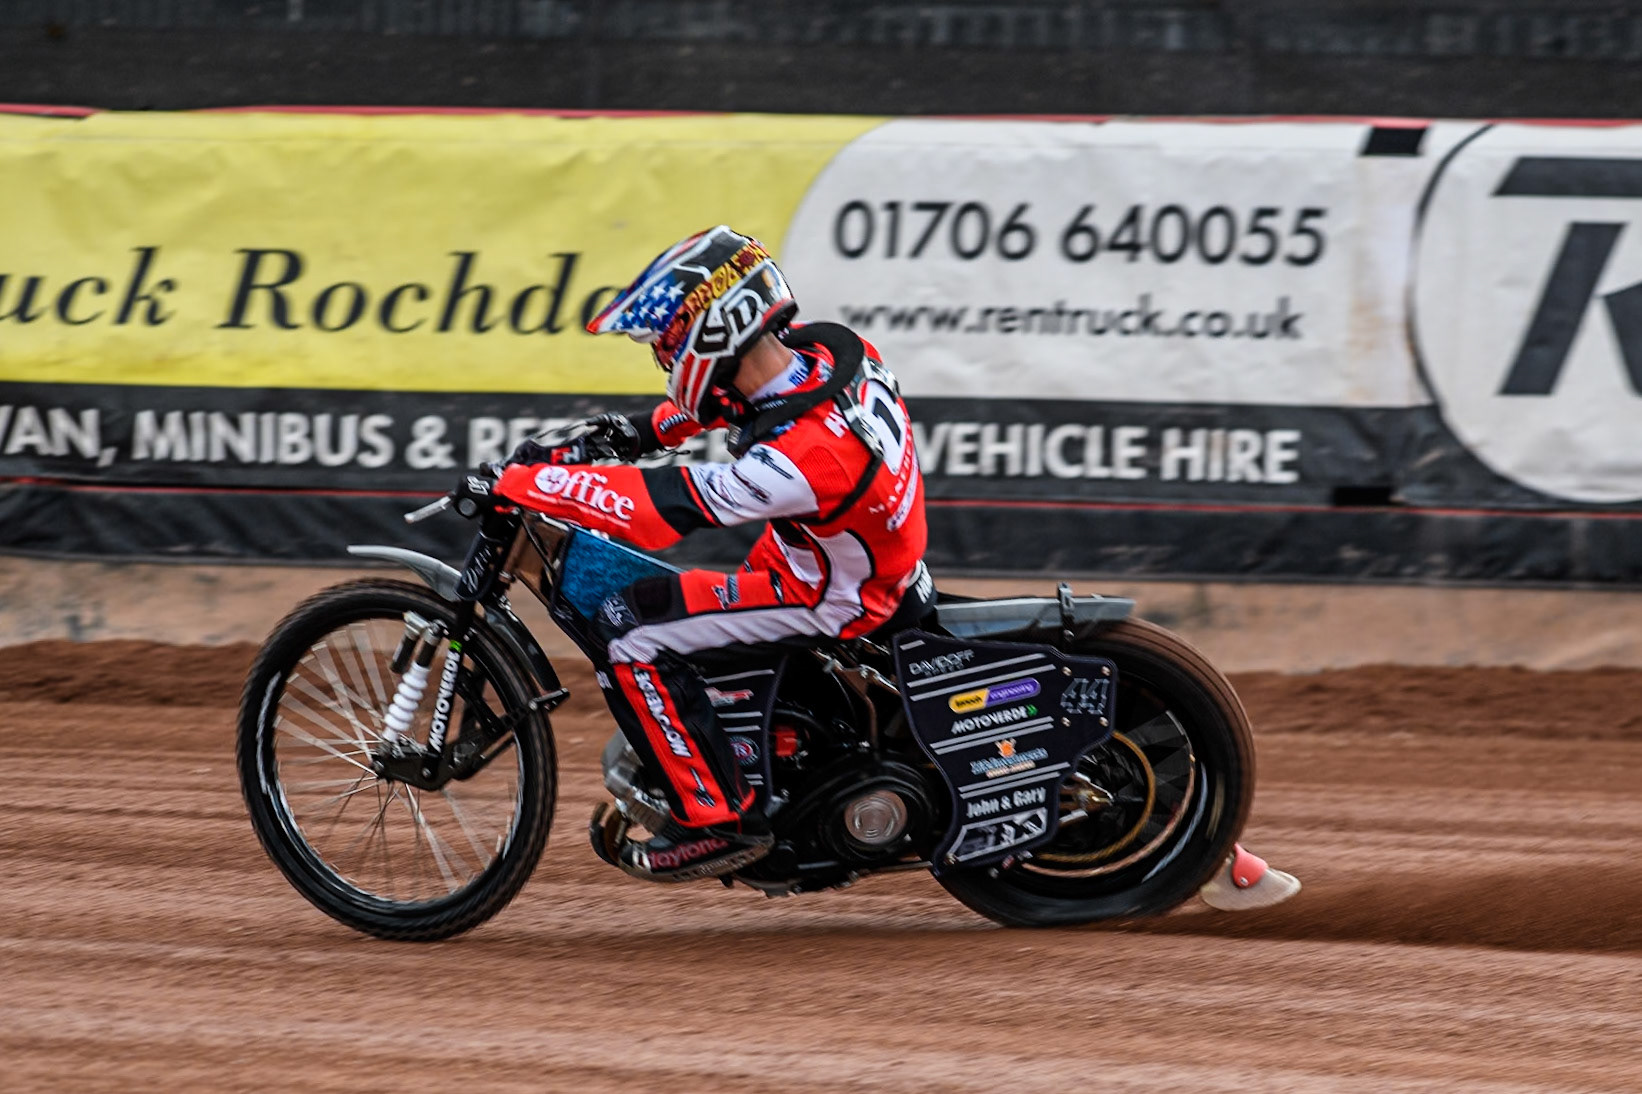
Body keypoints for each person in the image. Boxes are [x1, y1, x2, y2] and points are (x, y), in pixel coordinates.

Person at [490, 225, 931, 881]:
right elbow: (737, 398)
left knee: (628, 631)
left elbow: (661, 510)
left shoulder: (802, 459)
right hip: (855, 565)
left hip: (834, 599)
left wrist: (528, 484)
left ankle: (718, 817)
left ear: (715, 334)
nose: (666, 357)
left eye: (671, 342)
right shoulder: (833, 358)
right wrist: (624, 433)